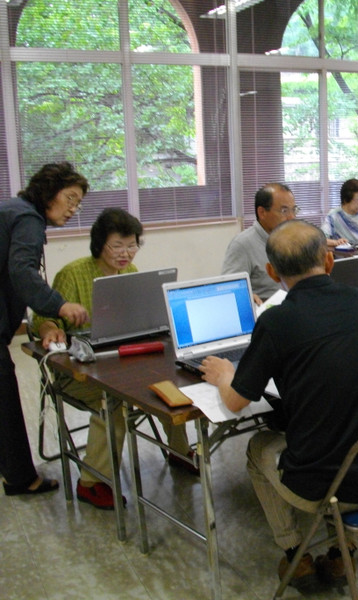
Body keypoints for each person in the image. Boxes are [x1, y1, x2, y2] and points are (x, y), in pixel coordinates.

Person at [200, 220, 358, 589]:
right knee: (346, 427)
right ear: (328, 261)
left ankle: (296, 556)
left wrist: (224, 374)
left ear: (271, 272)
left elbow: (235, 402)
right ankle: (342, 555)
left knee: (258, 446)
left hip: (323, 485)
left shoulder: (277, 321)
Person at [32, 207, 197, 509]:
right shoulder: (72, 273)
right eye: (117, 246)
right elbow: (41, 318)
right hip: (79, 369)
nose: (125, 254)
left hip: (122, 362)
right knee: (115, 402)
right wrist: (49, 328)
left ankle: (179, 451)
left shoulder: (131, 273)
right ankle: (91, 481)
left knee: (169, 383)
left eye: (131, 246)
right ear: (99, 244)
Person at [1, 162, 89, 497]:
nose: (73, 208)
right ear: (49, 192)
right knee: (5, 399)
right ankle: (21, 479)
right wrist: (60, 305)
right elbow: (22, 272)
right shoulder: (27, 218)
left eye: (78, 203)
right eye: (70, 198)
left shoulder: (13, 210)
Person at [223, 183, 299, 304]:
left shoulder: (293, 239)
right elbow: (229, 289)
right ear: (262, 212)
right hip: (266, 310)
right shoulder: (243, 244)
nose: (292, 217)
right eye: (284, 211)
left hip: (294, 306)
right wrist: (247, 296)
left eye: (294, 210)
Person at [321, 179, 358, 244]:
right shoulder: (334, 215)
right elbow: (322, 240)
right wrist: (336, 242)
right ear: (346, 199)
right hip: (344, 249)